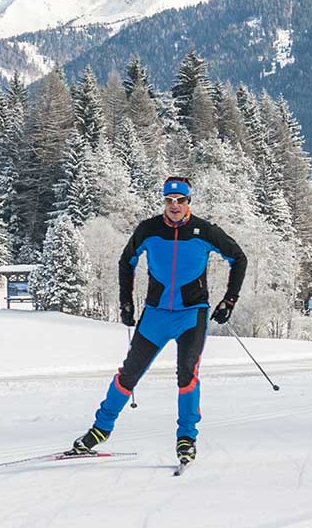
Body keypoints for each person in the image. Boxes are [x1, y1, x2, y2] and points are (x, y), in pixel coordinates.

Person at [68, 176, 246, 464]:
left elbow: (238, 258)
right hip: (156, 314)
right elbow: (127, 261)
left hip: (191, 314)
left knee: (187, 374)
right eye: (169, 200)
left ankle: (186, 438)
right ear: (163, 201)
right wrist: (125, 302)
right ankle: (100, 430)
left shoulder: (205, 231)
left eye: (180, 201)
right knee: (129, 374)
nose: (174, 206)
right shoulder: (148, 229)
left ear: (189, 202)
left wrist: (229, 300)